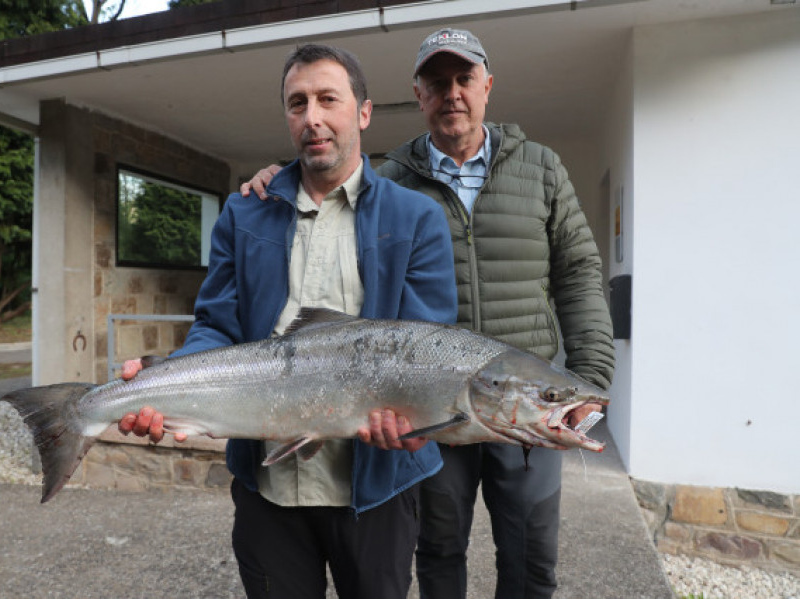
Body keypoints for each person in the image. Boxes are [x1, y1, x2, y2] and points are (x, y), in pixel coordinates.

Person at [240, 28, 615, 599]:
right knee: (440, 549)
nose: (453, 93)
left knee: (531, 557)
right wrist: (274, 178)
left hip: (526, 395)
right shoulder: (391, 179)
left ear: (487, 85)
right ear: (418, 95)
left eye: (465, 79)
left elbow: (580, 274)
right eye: (437, 83)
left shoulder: (540, 169)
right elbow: (329, 183)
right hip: (428, 399)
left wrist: (584, 382)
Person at [117, 43, 458, 599]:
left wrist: (420, 423)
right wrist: (168, 378)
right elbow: (216, 326)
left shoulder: (416, 217)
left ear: (363, 112)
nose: (313, 117)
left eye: (329, 99)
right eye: (297, 104)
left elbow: (427, 349)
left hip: (375, 490)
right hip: (268, 489)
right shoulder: (244, 211)